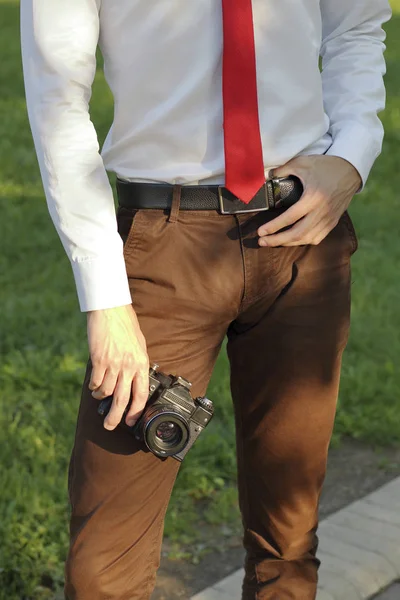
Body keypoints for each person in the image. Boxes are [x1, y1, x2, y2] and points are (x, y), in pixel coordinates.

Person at [20, 1, 391, 598]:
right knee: (104, 569)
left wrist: (350, 156)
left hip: (301, 236)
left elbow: (355, 24)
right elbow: (56, 98)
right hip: (161, 252)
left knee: (288, 543)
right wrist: (106, 300)